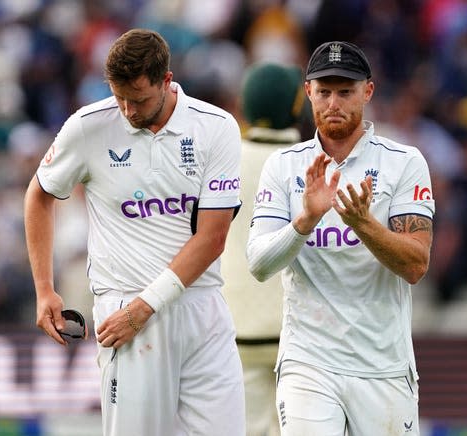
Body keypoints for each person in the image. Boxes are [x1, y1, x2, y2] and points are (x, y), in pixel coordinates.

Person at [23, 28, 245, 436]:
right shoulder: (88, 126)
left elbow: (213, 238)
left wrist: (146, 308)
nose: (127, 109)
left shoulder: (217, 128)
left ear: (166, 80)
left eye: (139, 99)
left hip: (200, 308)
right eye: (119, 96)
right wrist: (44, 288)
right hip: (122, 306)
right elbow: (39, 196)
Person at [246, 41, 435, 435]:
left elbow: (416, 264)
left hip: (383, 365)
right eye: (325, 91)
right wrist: (306, 220)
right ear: (308, 92)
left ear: (368, 91)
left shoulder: (404, 162)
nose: (334, 102)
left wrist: (363, 224)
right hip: (308, 361)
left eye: (345, 91)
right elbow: (259, 264)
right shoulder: (283, 166)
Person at [221, 62, 306, 436]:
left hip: (235, 324)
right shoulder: (314, 161)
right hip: (301, 328)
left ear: (244, 104)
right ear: (297, 106)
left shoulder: (221, 159)